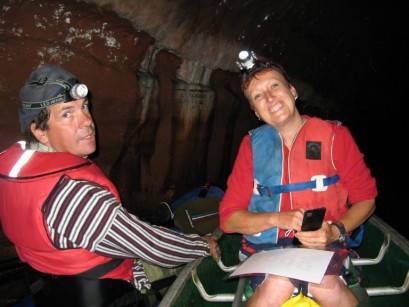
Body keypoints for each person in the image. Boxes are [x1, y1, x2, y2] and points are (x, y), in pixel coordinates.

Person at [0, 64, 220, 307]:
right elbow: (152, 246)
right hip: (114, 286)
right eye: (67, 114)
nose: (86, 121)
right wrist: (202, 245)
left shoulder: (9, 172)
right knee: (192, 256)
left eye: (84, 107)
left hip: (52, 285)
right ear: (41, 132)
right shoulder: (74, 196)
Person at [219, 50, 377, 306]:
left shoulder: (335, 136)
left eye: (274, 86)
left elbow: (366, 199)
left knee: (325, 285)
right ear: (256, 112)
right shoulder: (251, 146)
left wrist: (335, 231)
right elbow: (228, 219)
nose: (270, 98)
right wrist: (275, 218)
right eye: (258, 96)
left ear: (292, 91)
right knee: (278, 282)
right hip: (267, 251)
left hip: (325, 246)